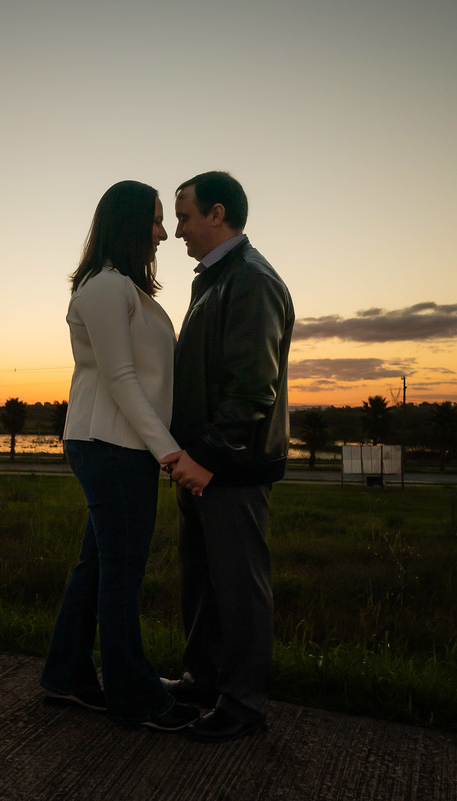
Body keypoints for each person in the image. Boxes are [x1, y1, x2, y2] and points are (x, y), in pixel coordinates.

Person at [40, 180, 200, 732]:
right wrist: (171, 454)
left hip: (121, 445)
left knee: (98, 566)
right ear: (129, 223)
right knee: (121, 574)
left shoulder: (132, 292)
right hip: (110, 445)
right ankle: (134, 697)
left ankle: (65, 677)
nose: (163, 233)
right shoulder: (106, 288)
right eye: (156, 221)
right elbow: (123, 379)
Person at [160, 171, 294, 742]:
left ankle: (241, 706)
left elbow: (251, 387)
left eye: (185, 216)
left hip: (232, 467)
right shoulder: (215, 279)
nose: (176, 231)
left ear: (217, 214)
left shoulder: (251, 280)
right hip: (202, 464)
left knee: (238, 588)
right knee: (204, 580)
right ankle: (202, 680)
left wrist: (209, 456)